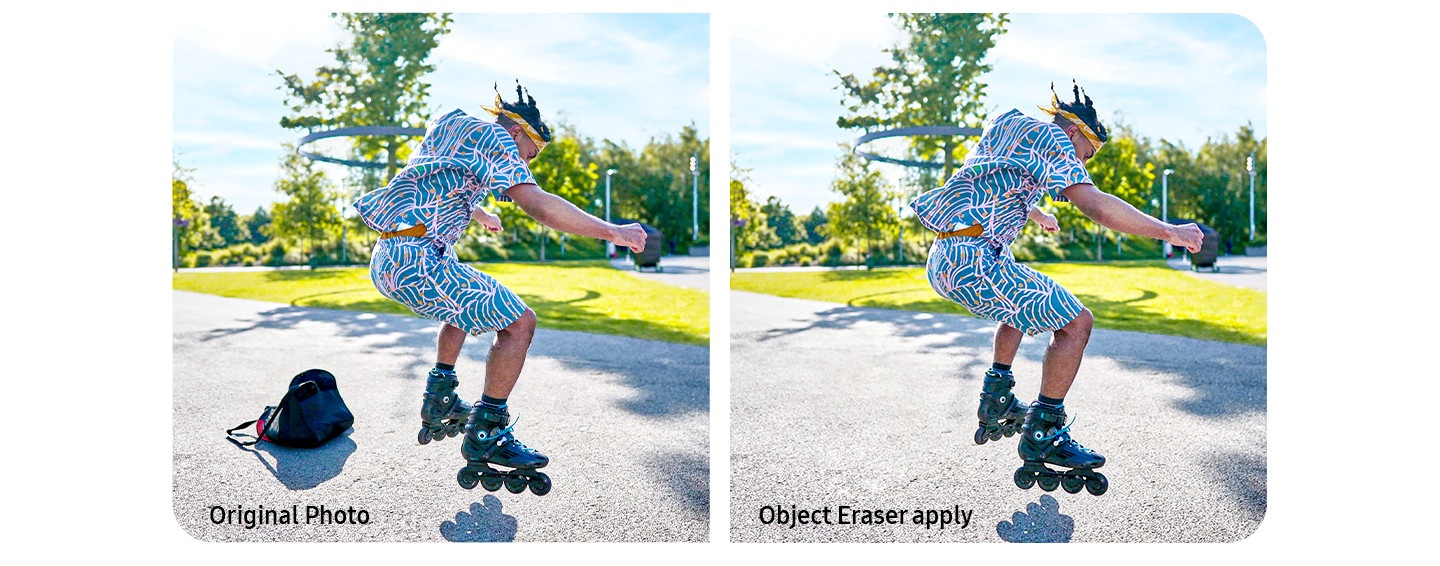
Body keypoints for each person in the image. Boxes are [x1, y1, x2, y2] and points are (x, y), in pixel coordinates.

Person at [353, 82, 647, 495]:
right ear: (517, 132)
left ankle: (440, 394)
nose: (525, 163)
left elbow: (431, 178)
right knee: (520, 324)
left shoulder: (450, 123)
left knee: (462, 301)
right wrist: (613, 231)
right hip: (417, 262)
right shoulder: (498, 140)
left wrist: (479, 213)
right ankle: (488, 432)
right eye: (529, 153)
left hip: (390, 257)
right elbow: (538, 204)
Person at [909, 82, 1203, 496]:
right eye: (1087, 153)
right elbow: (1094, 204)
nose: (1082, 162)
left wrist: (1036, 212)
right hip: (973, 261)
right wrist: (1169, 231)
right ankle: (1044, 432)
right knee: (1076, 324)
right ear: (1074, 131)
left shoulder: (1008, 123)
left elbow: (990, 177)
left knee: (1019, 300)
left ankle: (997, 394)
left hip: (947, 257)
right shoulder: (1055, 139)